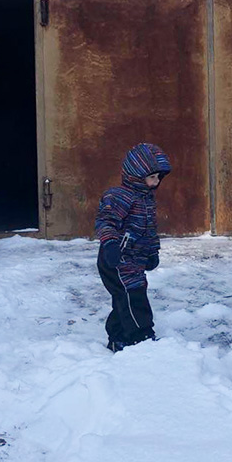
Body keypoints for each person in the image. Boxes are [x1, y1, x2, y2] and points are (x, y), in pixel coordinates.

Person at [96, 142, 171, 352]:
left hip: (134, 258)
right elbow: (106, 222)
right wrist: (110, 244)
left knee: (126, 295)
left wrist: (153, 251)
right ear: (136, 174)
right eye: (152, 177)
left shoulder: (146, 199)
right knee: (133, 294)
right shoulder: (119, 196)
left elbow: (149, 230)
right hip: (116, 257)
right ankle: (142, 338)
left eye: (158, 177)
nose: (156, 183)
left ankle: (117, 337)